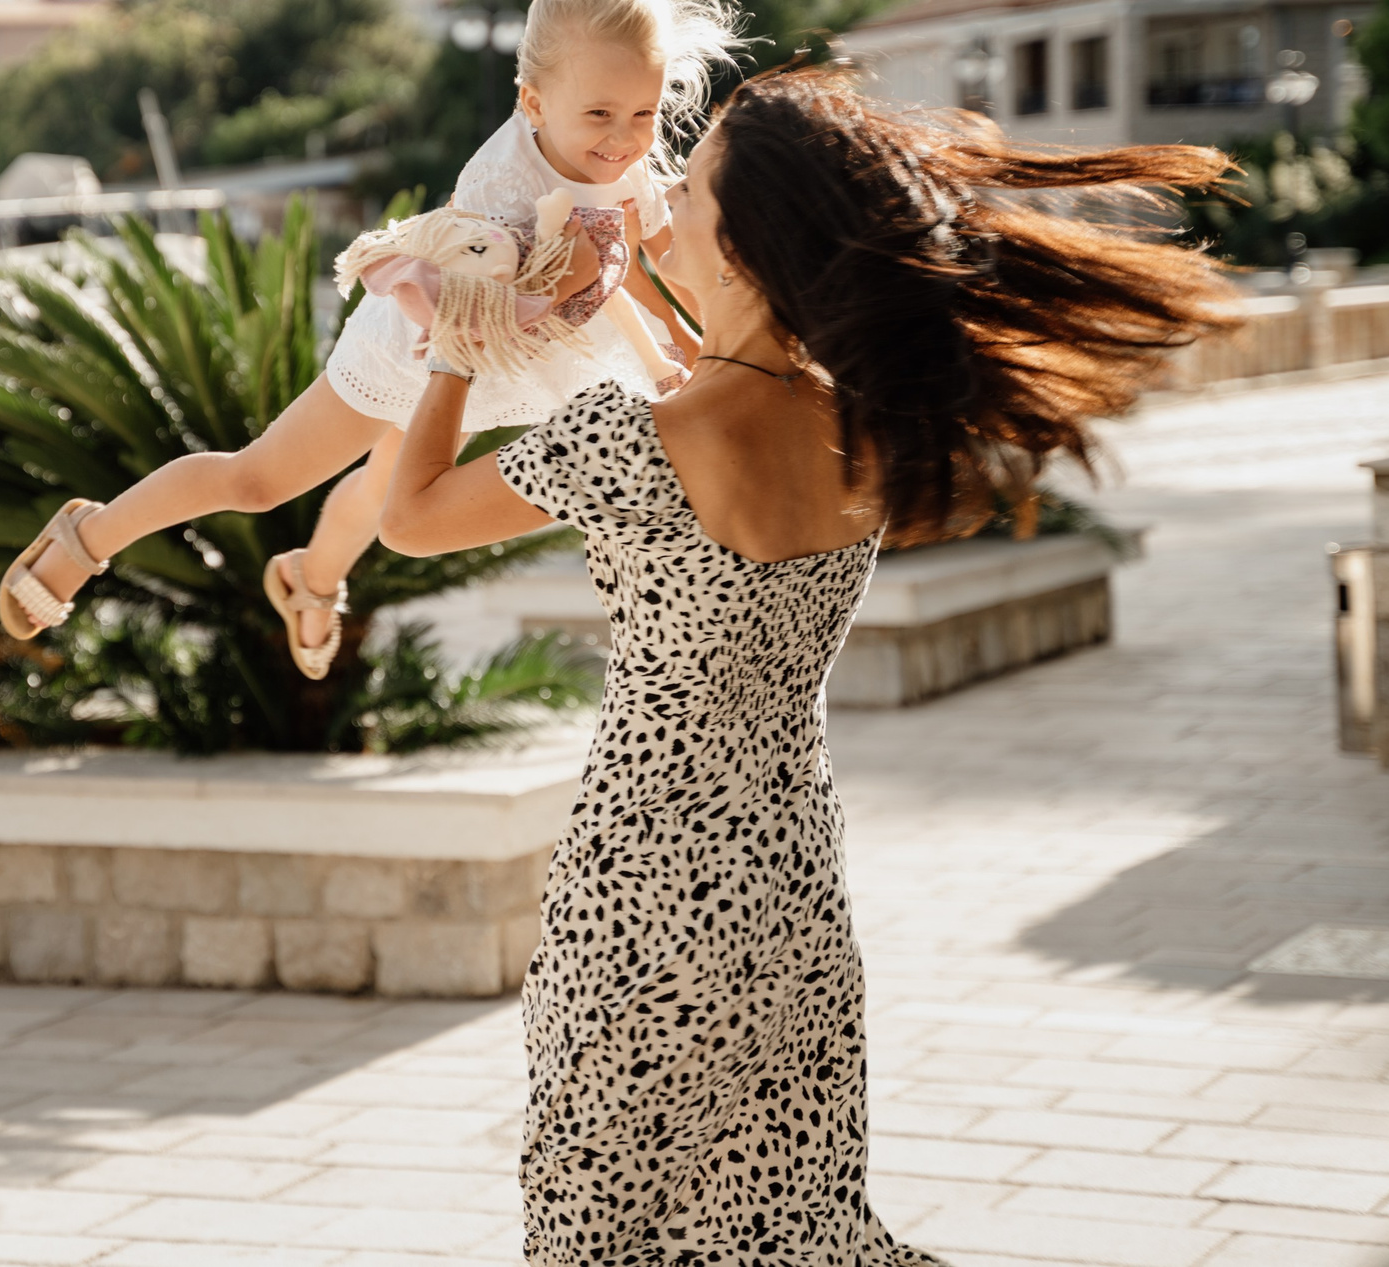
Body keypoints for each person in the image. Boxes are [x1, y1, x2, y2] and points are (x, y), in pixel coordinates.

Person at [379, 64, 1237, 1264]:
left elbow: (409, 515)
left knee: (601, 1235)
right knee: (782, 1226)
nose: (661, 197)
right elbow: (726, 377)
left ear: (741, 244)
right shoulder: (853, 424)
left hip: (644, 897)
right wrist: (619, 304)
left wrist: (456, 333)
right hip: (790, 893)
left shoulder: (632, 440)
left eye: (690, 186)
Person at [0, 0, 737, 678]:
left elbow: (646, 262)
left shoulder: (628, 164)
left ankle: (309, 578)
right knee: (259, 478)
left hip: (505, 356)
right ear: (533, 101)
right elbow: (508, 289)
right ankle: (88, 535)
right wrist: (648, 341)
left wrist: (704, 347)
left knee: (386, 481)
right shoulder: (499, 184)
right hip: (429, 337)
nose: (623, 138)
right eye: (600, 113)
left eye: (644, 112)